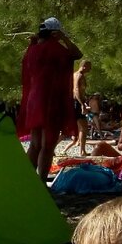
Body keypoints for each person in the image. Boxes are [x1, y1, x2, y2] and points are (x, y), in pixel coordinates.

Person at [18, 18, 82, 180]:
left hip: (33, 100)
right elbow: (76, 54)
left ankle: (28, 179)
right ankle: (41, 181)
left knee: (35, 143)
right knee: (48, 144)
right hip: (50, 99)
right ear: (55, 33)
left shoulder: (32, 50)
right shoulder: (55, 48)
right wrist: (64, 38)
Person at [61, 60, 93, 155]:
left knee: (71, 128)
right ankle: (82, 151)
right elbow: (76, 90)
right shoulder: (79, 76)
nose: (90, 69)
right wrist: (82, 104)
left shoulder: (75, 75)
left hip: (75, 103)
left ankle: (52, 148)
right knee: (83, 127)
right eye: (89, 67)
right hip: (77, 103)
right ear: (84, 66)